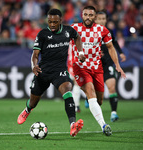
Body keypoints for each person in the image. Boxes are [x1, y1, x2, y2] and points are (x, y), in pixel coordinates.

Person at [17, 9, 86, 137]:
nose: (52, 24)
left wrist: (80, 52)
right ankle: (27, 110)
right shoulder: (42, 34)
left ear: (61, 20)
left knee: (67, 89)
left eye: (55, 22)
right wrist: (34, 66)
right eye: (50, 22)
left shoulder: (68, 31)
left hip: (59, 70)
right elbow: (35, 55)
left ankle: (72, 125)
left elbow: (77, 37)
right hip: (43, 72)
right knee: (33, 102)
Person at [70, 6, 126, 136]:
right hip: (80, 67)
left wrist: (117, 65)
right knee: (90, 91)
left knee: (99, 100)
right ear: (82, 15)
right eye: (86, 14)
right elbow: (62, 42)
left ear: (94, 17)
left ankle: (90, 100)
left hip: (97, 68)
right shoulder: (74, 28)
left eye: (91, 15)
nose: (88, 17)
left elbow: (111, 47)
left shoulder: (102, 30)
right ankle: (104, 125)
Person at [95, 10, 127, 122]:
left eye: (103, 19)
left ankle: (114, 113)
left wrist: (121, 52)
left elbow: (114, 42)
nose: (101, 21)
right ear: (95, 20)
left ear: (106, 20)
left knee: (112, 87)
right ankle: (87, 97)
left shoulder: (108, 31)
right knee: (94, 91)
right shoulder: (90, 33)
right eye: (99, 19)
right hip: (95, 65)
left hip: (108, 63)